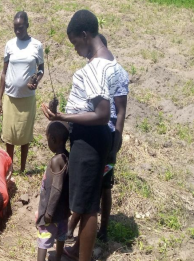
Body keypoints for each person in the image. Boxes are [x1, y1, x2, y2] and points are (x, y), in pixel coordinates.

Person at [41, 10, 122, 261]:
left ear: (85, 35)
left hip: (89, 141)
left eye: (76, 43)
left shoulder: (96, 66)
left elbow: (100, 113)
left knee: (87, 209)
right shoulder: (109, 61)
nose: (76, 49)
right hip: (95, 140)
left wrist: (63, 117)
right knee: (87, 204)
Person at [66, 34, 130, 247]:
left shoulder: (113, 71)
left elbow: (119, 111)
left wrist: (115, 143)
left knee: (98, 188)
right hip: (102, 137)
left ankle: (94, 230)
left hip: (103, 137)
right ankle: (86, 230)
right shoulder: (105, 69)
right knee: (98, 187)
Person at [0, 11, 44, 172]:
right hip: (10, 96)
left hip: (27, 98)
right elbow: (3, 73)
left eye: (21, 27)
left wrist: (36, 80)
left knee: (25, 135)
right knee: (9, 136)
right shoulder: (10, 45)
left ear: (27, 26)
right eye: (15, 27)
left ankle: (22, 169)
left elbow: (41, 69)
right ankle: (10, 168)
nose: (18, 31)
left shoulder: (36, 45)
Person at [35, 121, 70, 261]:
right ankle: (58, 257)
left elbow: (56, 188)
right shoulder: (67, 156)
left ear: (54, 140)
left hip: (51, 212)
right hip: (63, 211)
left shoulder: (56, 160)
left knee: (43, 240)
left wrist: (49, 212)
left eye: (48, 138)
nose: (47, 142)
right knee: (61, 235)